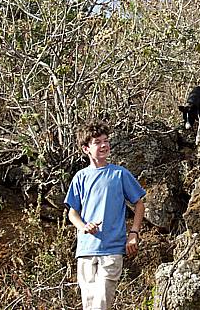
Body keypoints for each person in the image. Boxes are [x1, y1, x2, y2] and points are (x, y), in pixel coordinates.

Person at [64, 121, 146, 310]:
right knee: (89, 305)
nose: (104, 145)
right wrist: (84, 227)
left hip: (112, 249)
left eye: (106, 141)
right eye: (97, 142)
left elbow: (139, 204)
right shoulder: (80, 177)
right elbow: (72, 213)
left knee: (100, 304)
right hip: (85, 251)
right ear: (86, 149)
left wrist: (133, 234)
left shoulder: (119, 174)